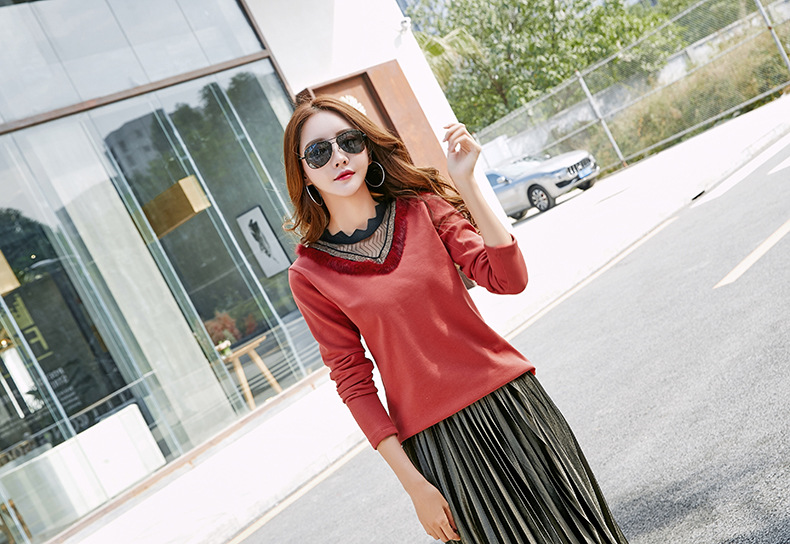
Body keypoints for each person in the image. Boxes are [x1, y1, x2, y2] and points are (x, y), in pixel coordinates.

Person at [283, 95, 628, 544]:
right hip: (438, 447)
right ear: (303, 172)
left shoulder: (422, 208)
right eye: (318, 152)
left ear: (368, 147)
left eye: (349, 141)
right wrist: (414, 486)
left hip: (511, 405)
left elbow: (508, 279)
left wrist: (467, 183)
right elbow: (353, 381)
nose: (339, 157)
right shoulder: (310, 274)